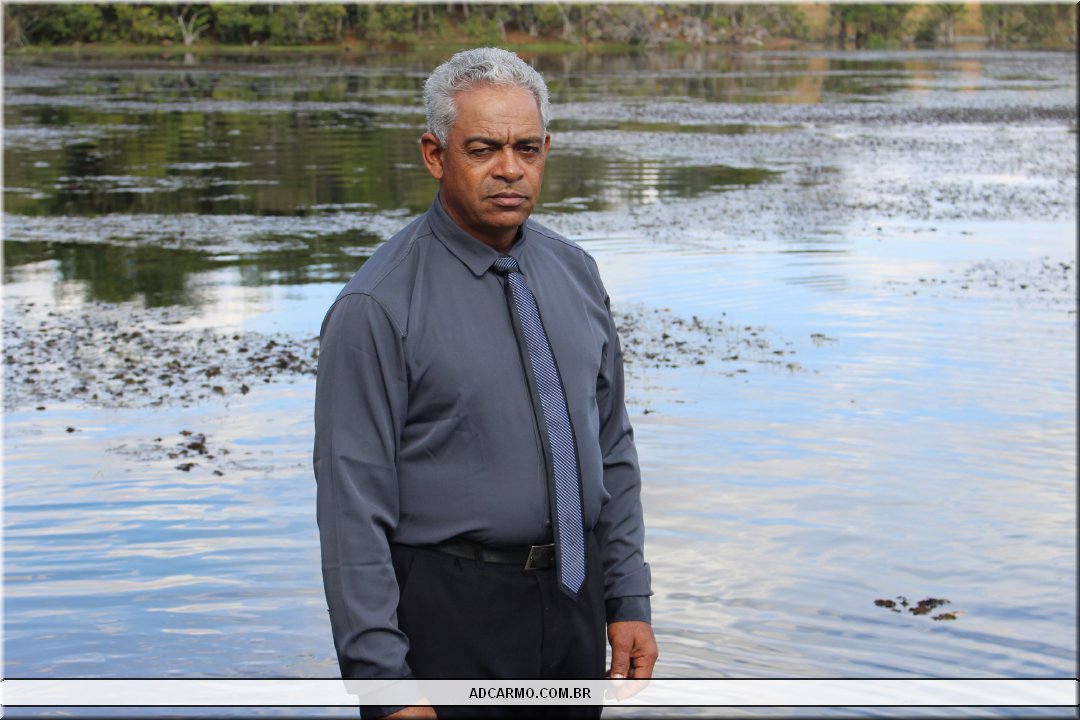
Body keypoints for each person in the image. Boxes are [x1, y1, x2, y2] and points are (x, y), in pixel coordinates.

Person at [313, 47, 657, 719]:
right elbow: (351, 505)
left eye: (526, 148)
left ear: (546, 150)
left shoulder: (576, 274)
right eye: (483, 149)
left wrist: (627, 598)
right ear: (435, 155)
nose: (510, 169)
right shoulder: (377, 306)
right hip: (449, 617)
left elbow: (611, 447)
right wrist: (384, 680)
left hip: (574, 603)